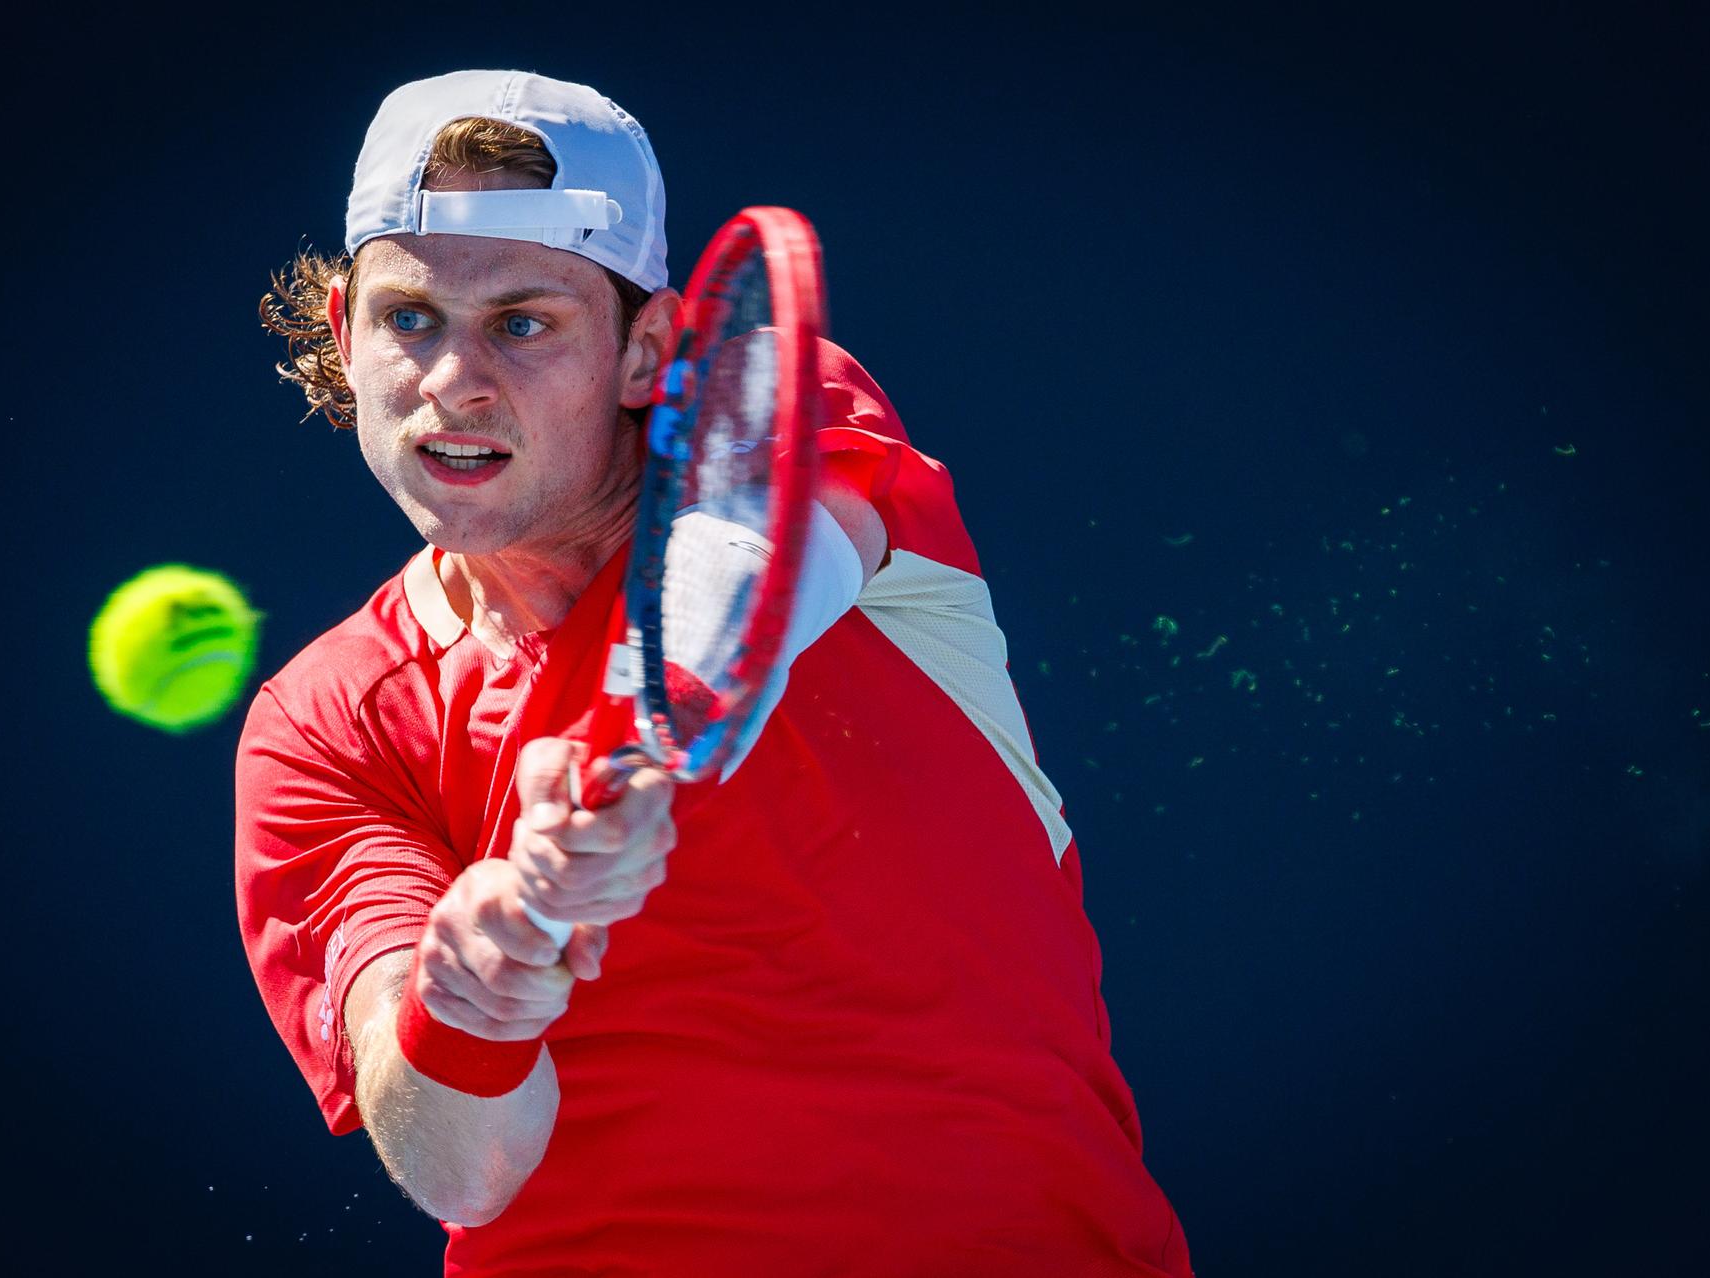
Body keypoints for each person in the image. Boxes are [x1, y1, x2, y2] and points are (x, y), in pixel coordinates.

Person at [239, 68, 1194, 1277]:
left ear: (648, 352)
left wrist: (611, 760)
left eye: (523, 324)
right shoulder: (321, 725)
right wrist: (480, 982)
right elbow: (460, 1170)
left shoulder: (770, 414)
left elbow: (747, 573)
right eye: (410, 318)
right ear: (343, 329)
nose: (451, 382)